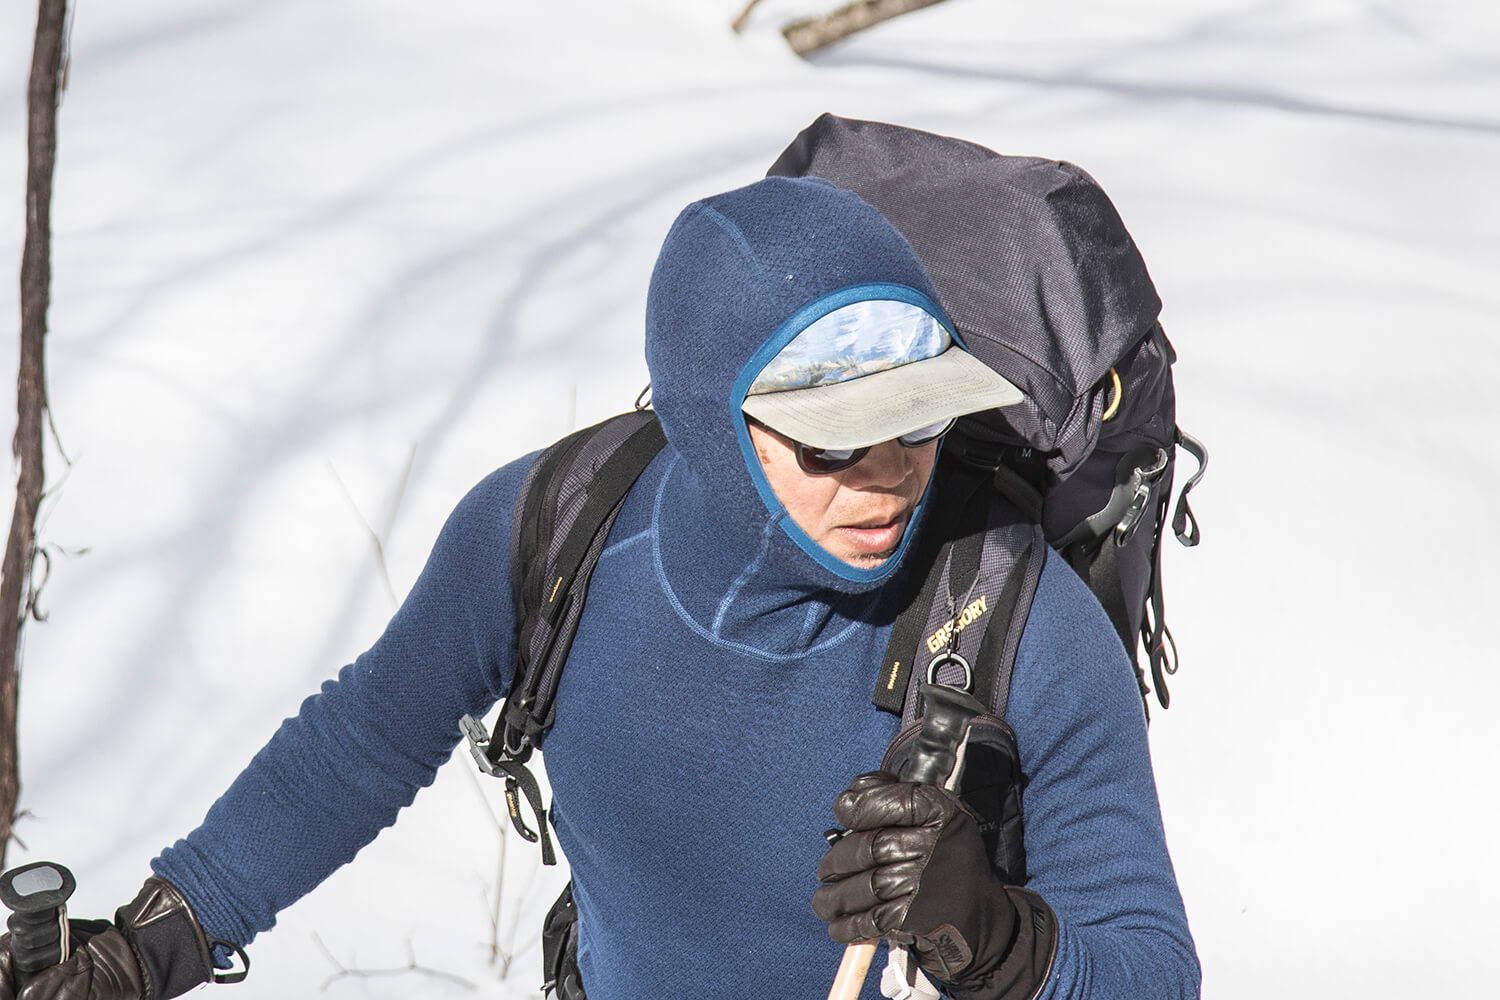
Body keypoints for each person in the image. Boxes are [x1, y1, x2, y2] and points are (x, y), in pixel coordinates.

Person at [0, 176, 1199, 1000]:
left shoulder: (1020, 623)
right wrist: (157, 942)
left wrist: (996, 937)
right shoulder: (550, 530)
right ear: (710, 419)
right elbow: (360, 744)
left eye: (920, 423)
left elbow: (1152, 964)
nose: (893, 475)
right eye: (837, 439)